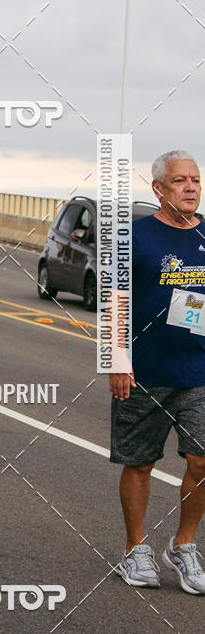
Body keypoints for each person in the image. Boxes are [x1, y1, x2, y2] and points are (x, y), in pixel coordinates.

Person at [111, 150, 205, 593]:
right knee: (141, 463)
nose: (190, 187)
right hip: (145, 370)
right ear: (158, 189)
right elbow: (115, 302)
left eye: (195, 180)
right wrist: (116, 359)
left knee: (202, 461)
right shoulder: (134, 236)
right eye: (180, 181)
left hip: (198, 369)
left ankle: (184, 545)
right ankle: (135, 548)